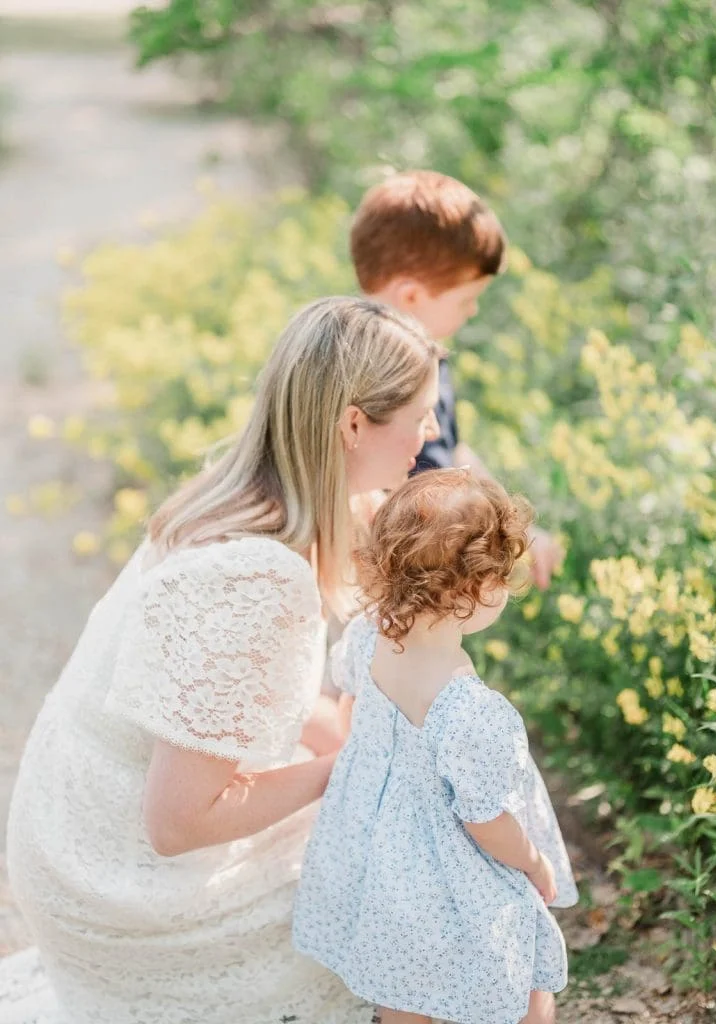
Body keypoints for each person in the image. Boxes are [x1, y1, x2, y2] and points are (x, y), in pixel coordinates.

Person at [2, 297, 442, 1024]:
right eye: (421, 413)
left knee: (399, 837)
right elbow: (178, 823)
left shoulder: (243, 501)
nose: (432, 431)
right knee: (415, 905)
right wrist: (350, 768)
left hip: (76, 827)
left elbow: (249, 706)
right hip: (117, 883)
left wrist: (386, 750)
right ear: (354, 423)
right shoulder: (255, 580)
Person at [293, 469, 578, 1024]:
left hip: (380, 854)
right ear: (476, 590)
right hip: (451, 867)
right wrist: (534, 861)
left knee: (402, 974)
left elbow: (352, 712)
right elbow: (483, 819)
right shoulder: (472, 711)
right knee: (525, 969)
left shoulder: (367, 636)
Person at [350, 169, 562, 590]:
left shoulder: (430, 357)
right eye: (467, 299)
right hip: (389, 568)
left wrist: (513, 524)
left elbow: (451, 451)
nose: (473, 312)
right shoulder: (367, 369)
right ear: (411, 296)